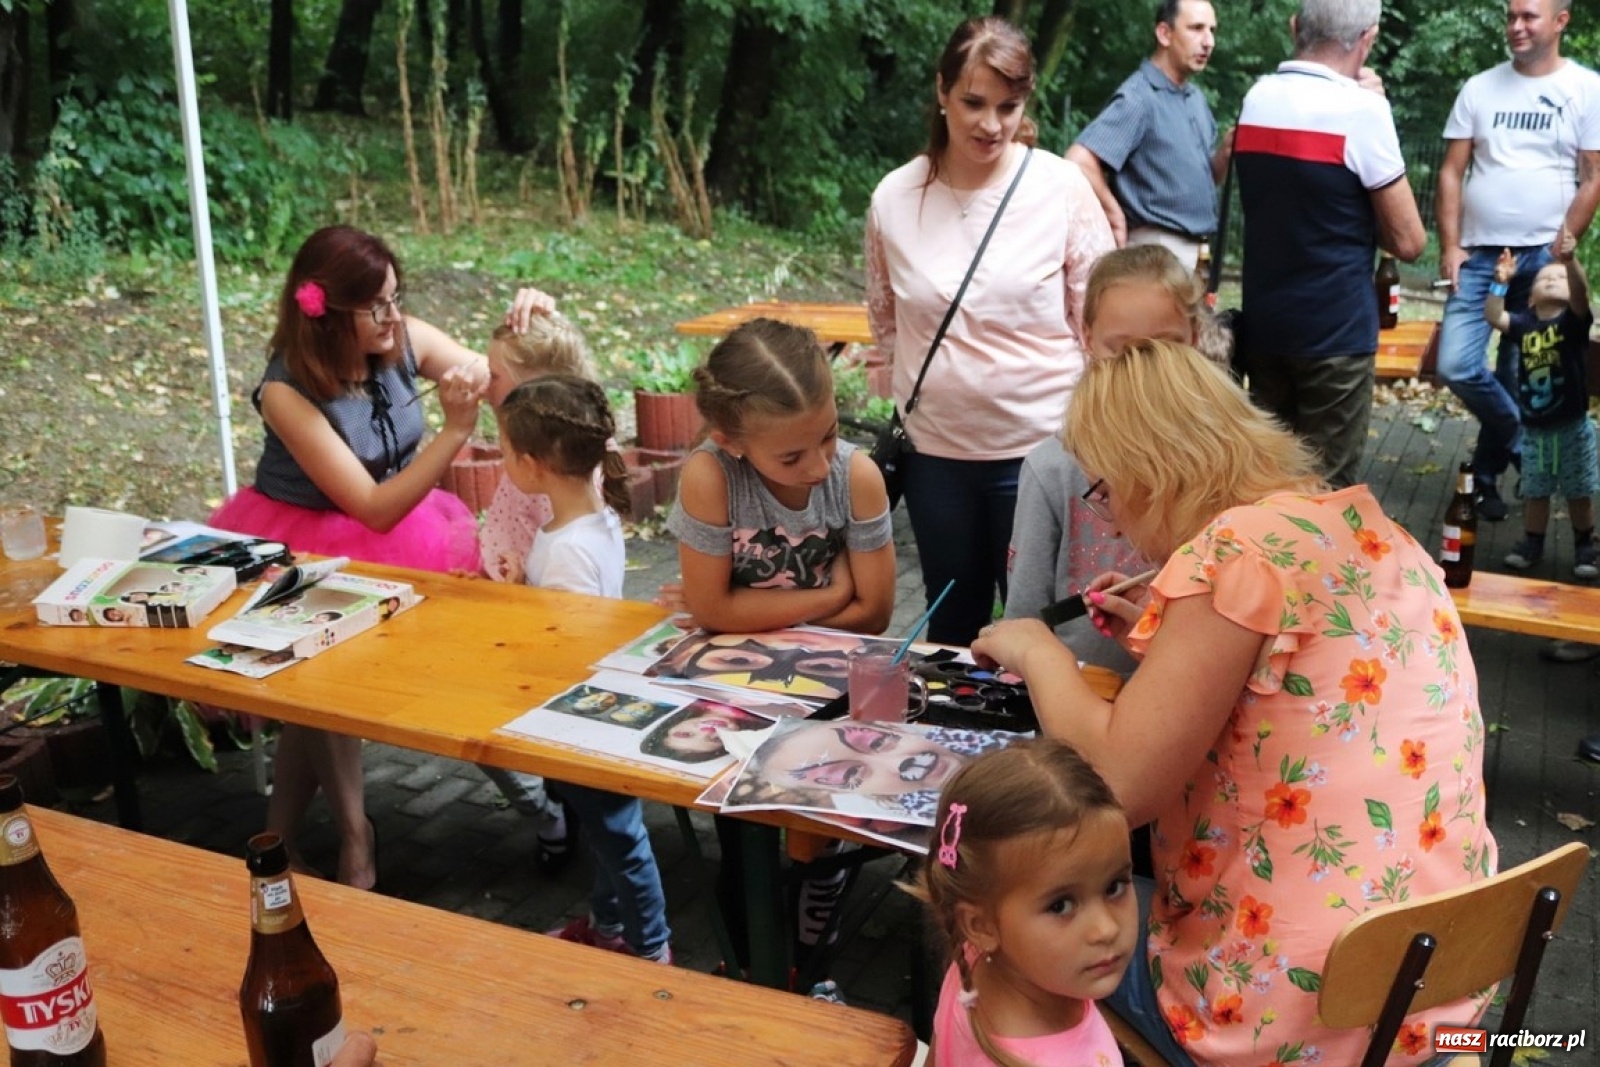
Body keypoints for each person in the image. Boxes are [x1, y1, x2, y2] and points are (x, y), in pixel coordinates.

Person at [971, 340, 1498, 1065]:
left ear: (1147, 472)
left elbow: (1118, 788)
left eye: (1106, 490)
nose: (1115, 520)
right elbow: (1295, 705)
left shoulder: (1232, 551)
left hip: (1296, 1018)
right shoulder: (1380, 532)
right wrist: (1165, 649)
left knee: (1006, 931)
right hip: (1440, 986)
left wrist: (1037, 650)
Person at [209, 225, 503, 889]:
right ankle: (355, 837)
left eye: (397, 298)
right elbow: (371, 508)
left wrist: (514, 332)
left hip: (394, 530)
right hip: (310, 539)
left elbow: (486, 371)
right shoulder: (286, 390)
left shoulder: (399, 338)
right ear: (324, 311)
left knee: (308, 703)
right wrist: (456, 430)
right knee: (323, 688)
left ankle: (277, 840)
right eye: (377, 306)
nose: (394, 317)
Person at [865, 16, 1114, 646]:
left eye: (1010, 106)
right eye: (974, 102)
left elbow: (1102, 324)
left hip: (1045, 450)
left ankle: (1047, 745)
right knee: (952, 618)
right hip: (936, 455)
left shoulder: (1061, 188)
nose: (991, 123)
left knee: (1050, 627)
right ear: (942, 91)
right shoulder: (895, 198)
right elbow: (886, 321)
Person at [665, 315, 895, 991]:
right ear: (728, 440)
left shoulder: (857, 476)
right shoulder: (709, 478)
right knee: (746, 838)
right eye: (792, 458)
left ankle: (809, 953)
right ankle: (761, 966)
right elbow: (712, 612)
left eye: (827, 435)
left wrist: (744, 609)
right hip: (740, 695)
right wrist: (830, 593)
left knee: (815, 832)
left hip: (835, 698)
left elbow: (876, 612)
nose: (819, 464)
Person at [494, 374, 674, 964]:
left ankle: (652, 952)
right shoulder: (592, 517)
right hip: (588, 707)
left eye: (504, 452)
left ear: (530, 464)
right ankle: (610, 925)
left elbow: (568, 646)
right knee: (603, 836)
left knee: (620, 839)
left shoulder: (567, 546)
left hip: (582, 713)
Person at [1232, 0, 1426, 491]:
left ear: (1296, 27)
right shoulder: (1363, 111)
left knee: (1268, 482)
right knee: (1326, 491)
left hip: (1264, 325)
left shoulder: (1257, 97)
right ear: (1369, 38)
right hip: (1335, 334)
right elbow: (1408, 241)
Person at [1004, 245, 1212, 672]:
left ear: (1194, 338)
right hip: (1076, 700)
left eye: (1162, 349)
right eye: (1123, 352)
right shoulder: (1052, 469)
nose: (1142, 373)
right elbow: (1026, 618)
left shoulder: (1223, 460)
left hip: (1195, 701)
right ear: (1086, 338)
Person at [1435, 0, 1600, 524]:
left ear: (1560, 21)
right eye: (1511, 16)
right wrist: (1450, 246)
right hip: (1481, 254)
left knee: (1515, 373)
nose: (1517, 26)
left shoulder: (1587, 89)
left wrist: (1564, 247)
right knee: (1456, 364)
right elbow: (1449, 172)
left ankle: (1484, 484)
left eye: (1529, 16)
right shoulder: (1479, 88)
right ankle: (1519, 440)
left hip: (1541, 260)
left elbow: (1594, 176)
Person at [916, 738, 1133, 1066]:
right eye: (1061, 905)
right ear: (981, 925)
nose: (1106, 928)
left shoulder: (972, 960)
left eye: (1114, 887)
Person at [472, 289, 593, 872]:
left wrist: (517, 587)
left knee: (493, 721)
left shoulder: (563, 479)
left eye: (493, 374)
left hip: (535, 617)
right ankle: (556, 810)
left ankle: (556, 812)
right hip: (513, 600)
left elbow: (569, 595)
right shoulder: (533, 445)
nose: (482, 382)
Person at [1067, 0, 1229, 266]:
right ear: (1164, 33)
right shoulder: (1139, 97)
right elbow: (1079, 160)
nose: (1208, 41)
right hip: (1154, 253)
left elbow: (1203, 181)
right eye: (1197, 28)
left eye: (1212, 30)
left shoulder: (1196, 99)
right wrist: (1114, 216)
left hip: (1196, 254)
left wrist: (1224, 153)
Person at [1486, 227, 1597, 579]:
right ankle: (1532, 542)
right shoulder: (1524, 324)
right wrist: (1500, 283)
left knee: (1578, 491)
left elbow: (1582, 295)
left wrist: (1571, 261)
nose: (1551, 278)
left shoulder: (1573, 324)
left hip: (1572, 427)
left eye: (1559, 277)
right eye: (1544, 276)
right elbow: (1494, 317)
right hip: (1534, 429)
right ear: (1530, 297)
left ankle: (1584, 544)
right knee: (1536, 490)